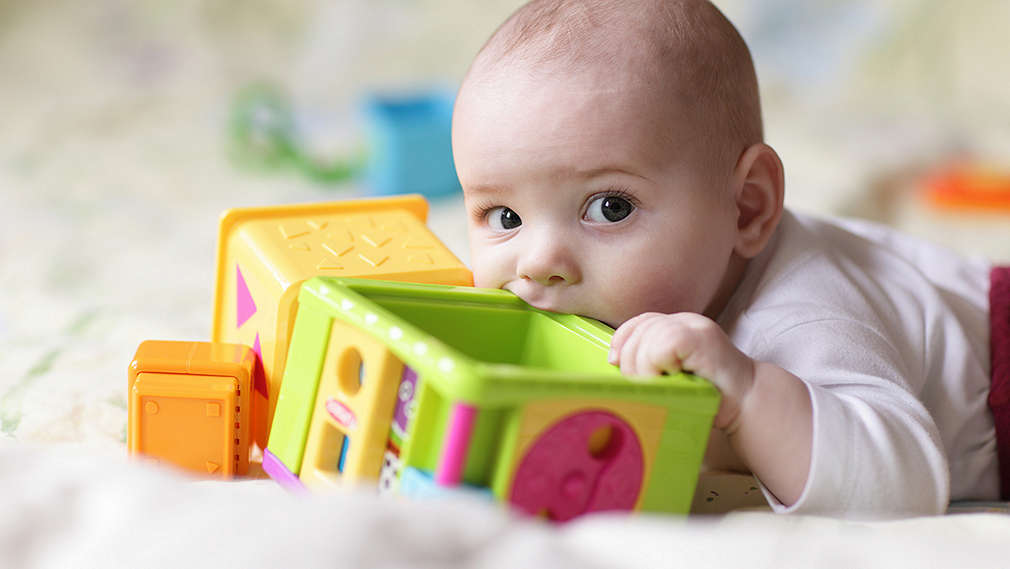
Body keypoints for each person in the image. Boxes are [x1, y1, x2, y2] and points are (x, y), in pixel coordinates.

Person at [450, 0, 1008, 517]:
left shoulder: (802, 316)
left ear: (745, 207)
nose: (537, 263)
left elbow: (901, 486)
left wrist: (746, 394)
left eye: (610, 206)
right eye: (504, 218)